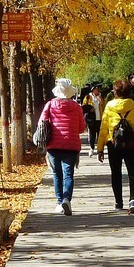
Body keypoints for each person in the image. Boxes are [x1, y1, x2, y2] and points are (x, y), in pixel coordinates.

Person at [96, 78, 134, 214]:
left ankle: (118, 201)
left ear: (115, 92)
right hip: (132, 144)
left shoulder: (109, 107)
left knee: (116, 173)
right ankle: (133, 200)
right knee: (133, 174)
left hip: (113, 144)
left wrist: (100, 149)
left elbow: (103, 129)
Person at [37, 78, 87, 215]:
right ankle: (67, 199)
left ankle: (59, 202)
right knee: (68, 174)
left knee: (56, 174)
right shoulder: (77, 107)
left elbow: (42, 122)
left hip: (53, 144)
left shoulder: (50, 105)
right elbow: (81, 128)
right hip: (71, 145)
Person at [83, 84, 105, 156]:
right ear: (93, 90)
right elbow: (84, 107)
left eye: (98, 89)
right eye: (96, 89)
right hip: (91, 119)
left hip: (100, 118)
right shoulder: (88, 97)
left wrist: (101, 102)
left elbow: (105, 106)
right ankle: (91, 148)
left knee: (99, 135)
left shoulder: (101, 96)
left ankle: (100, 149)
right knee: (92, 135)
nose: (97, 90)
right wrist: (89, 109)